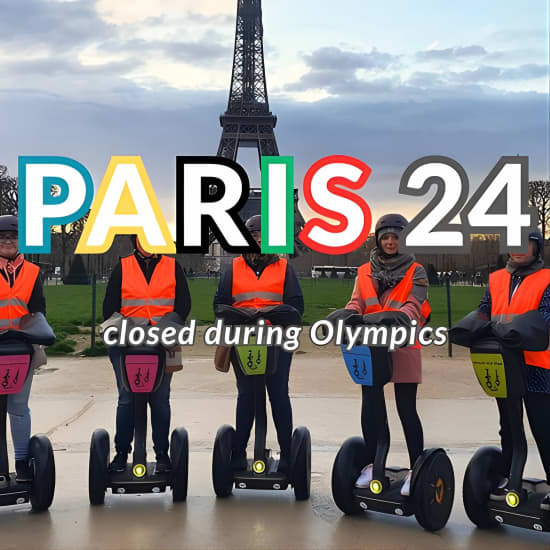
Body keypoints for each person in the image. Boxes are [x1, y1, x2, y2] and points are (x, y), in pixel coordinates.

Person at [344, 213, 430, 496]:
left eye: (396, 238)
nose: (391, 242)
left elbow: (414, 305)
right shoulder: (363, 272)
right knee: (371, 406)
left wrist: (394, 317)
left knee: (407, 409)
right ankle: (373, 464)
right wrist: (349, 315)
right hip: (370, 345)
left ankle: (415, 467)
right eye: (386, 238)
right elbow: (357, 302)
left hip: (403, 344)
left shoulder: (416, 270)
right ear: (379, 241)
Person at [213, 215, 304, 473]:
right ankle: (239, 451)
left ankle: (287, 452)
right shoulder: (233, 268)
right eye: (254, 236)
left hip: (276, 341)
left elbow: (296, 306)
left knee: (277, 394)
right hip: (244, 341)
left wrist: (273, 316)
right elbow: (220, 304)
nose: (259, 240)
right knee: (247, 395)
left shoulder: (284, 268)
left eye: (264, 236)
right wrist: (237, 317)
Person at [103, 235, 191, 473]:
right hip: (127, 343)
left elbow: (183, 305)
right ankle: (122, 454)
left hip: (162, 343)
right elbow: (109, 308)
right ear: (136, 240)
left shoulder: (173, 267)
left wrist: (167, 329)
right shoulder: (123, 266)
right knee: (127, 398)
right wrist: (125, 331)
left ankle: (162, 454)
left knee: (160, 399)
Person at [477, 231, 550, 505]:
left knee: (542, 426)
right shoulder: (496, 278)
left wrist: (511, 329)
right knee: (508, 426)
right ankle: (510, 477)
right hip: (502, 361)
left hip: (536, 365)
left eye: (525, 243)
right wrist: (471, 327)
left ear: (536, 247)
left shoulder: (547, 278)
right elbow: (485, 309)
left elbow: (545, 314)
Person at [0, 215, 46, 482]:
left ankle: (22, 462)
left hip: (20, 347)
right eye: (2, 236)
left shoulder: (32, 272)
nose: (7, 241)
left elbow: (38, 310)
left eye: (13, 237)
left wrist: (38, 341)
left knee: (18, 406)